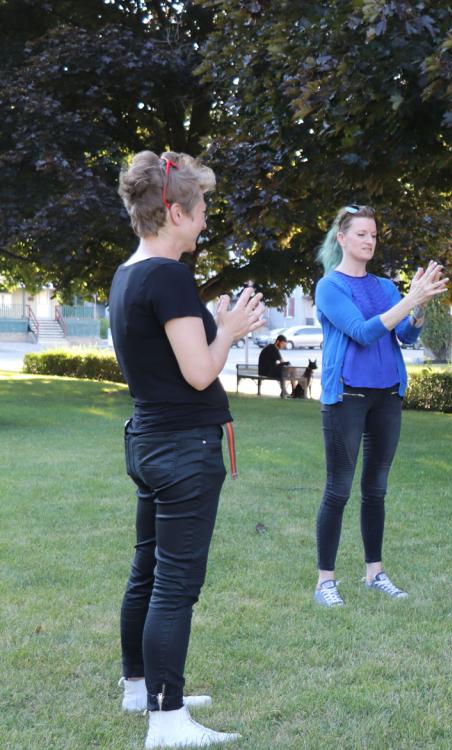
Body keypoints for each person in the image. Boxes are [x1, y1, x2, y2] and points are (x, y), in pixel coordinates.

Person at [112, 150, 266, 748]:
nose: (205, 221)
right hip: (182, 447)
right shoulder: (170, 276)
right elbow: (200, 373)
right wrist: (226, 331)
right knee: (174, 583)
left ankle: (139, 687)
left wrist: (212, 322)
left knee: (147, 571)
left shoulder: (130, 273)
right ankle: (166, 717)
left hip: (150, 441)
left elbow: (166, 358)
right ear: (175, 212)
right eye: (200, 210)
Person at [312, 205, 448, 607]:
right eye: (361, 234)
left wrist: (419, 304)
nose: (369, 241)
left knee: (376, 489)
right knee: (338, 489)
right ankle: (325, 582)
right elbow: (363, 331)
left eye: (373, 234)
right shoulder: (330, 287)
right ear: (342, 239)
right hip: (347, 397)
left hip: (387, 393)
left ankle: (375, 573)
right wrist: (410, 300)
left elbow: (405, 335)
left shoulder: (387, 288)